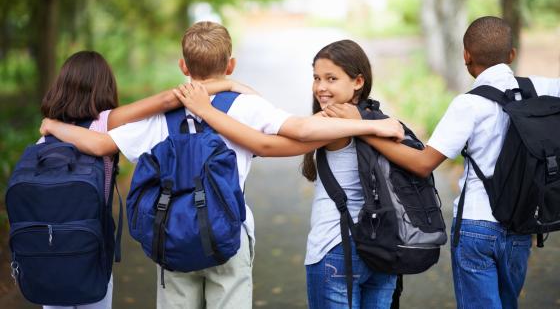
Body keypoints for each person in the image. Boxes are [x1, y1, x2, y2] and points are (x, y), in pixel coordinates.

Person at [40, 22, 404, 309]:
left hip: (170, 233)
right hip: (229, 231)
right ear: (230, 64)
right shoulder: (246, 106)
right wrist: (371, 124)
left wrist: (55, 126)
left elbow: (100, 141)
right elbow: (301, 128)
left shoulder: (159, 115)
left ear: (183, 66)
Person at [323, 16, 560, 309]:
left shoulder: (468, 104)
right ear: (511, 54)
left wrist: (364, 128)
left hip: (476, 225)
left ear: (466, 56)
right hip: (524, 222)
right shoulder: (543, 88)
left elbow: (423, 163)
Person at [173, 39, 398, 309]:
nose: (320, 87)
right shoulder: (376, 118)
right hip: (384, 248)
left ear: (358, 81)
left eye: (331, 78)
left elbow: (264, 142)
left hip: (336, 248)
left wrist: (206, 110)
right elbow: (271, 116)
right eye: (316, 78)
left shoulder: (334, 124)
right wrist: (231, 86)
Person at [37, 50, 181, 309]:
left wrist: (51, 124)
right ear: (104, 86)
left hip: (49, 244)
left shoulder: (45, 135)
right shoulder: (106, 121)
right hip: (91, 243)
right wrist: (227, 84)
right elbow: (169, 99)